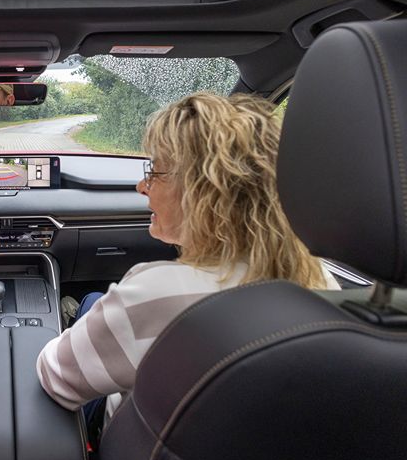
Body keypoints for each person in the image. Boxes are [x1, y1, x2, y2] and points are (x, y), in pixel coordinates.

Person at [36, 92, 340, 431]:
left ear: (202, 191)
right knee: (93, 303)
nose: (141, 186)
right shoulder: (325, 283)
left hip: (137, 447)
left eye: (155, 171)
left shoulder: (153, 293)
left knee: (90, 318)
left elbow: (54, 377)